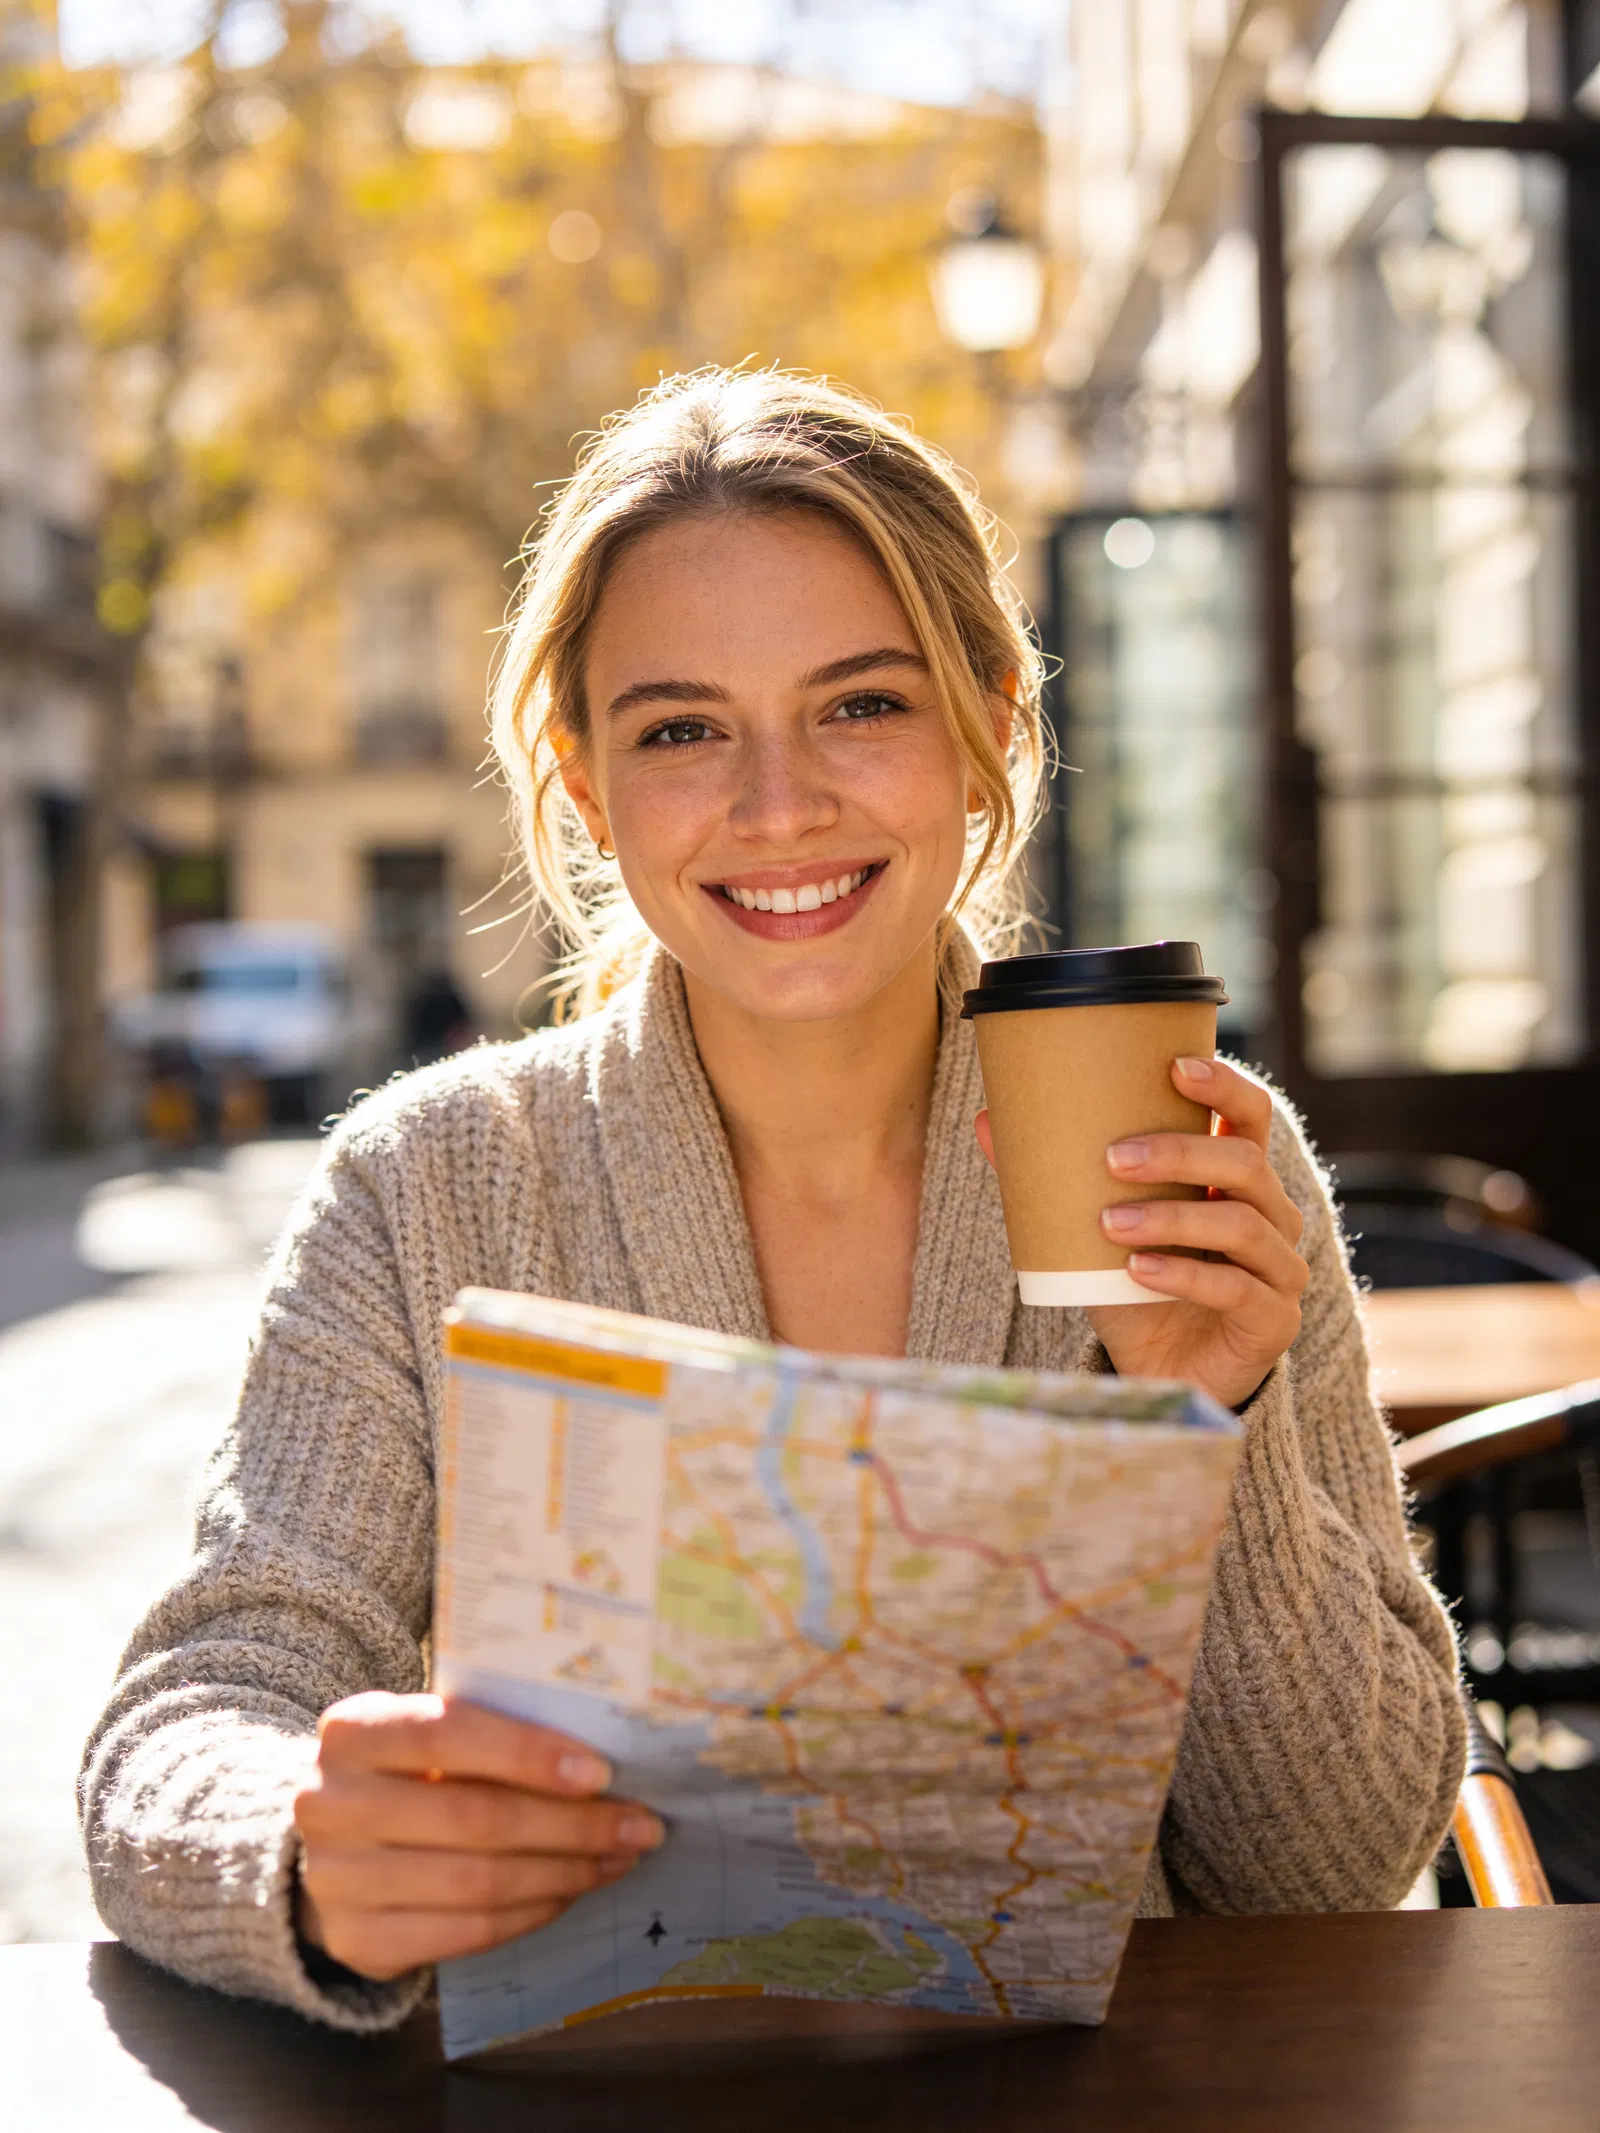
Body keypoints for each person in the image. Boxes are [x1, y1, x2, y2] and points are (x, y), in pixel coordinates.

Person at [81, 368, 1465, 2031]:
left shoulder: (1189, 1163)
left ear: (991, 732)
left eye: (863, 704)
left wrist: (1207, 1430)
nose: (778, 803)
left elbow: (1333, 1872)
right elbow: (193, 1715)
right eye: (680, 730)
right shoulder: (428, 1189)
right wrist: (300, 1853)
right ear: (585, 788)